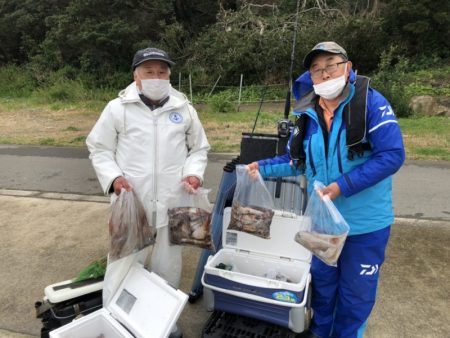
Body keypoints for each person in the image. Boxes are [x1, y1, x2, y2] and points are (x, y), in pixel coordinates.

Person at [247, 41, 405, 338]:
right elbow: (297, 162)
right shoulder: (308, 114)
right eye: (317, 69)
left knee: (355, 294)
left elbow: (392, 155)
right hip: (322, 223)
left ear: (348, 66)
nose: (324, 74)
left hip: (365, 224)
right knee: (323, 287)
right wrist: (261, 167)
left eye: (331, 65)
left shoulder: (372, 103)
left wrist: (343, 186)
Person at [86, 47, 210, 337]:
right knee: (123, 265)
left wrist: (193, 172)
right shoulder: (118, 108)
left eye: (162, 71)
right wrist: (114, 177)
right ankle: (117, 322)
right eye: (149, 71)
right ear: (136, 76)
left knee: (168, 268)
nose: (156, 77)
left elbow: (199, 148)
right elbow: (99, 147)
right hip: (131, 204)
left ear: (169, 75)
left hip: (173, 203)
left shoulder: (184, 108)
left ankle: (162, 322)